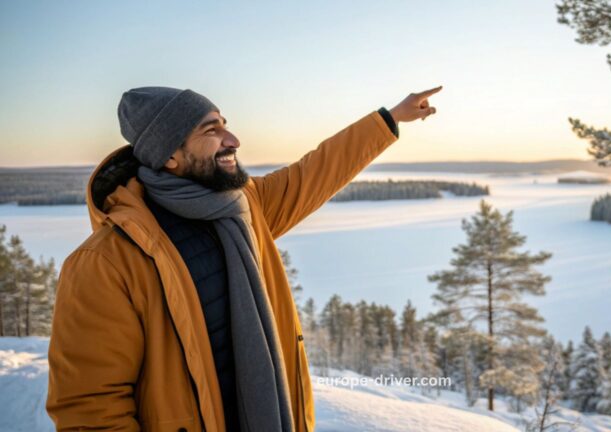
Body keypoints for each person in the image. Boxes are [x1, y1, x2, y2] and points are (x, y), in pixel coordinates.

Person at [45, 85, 441, 432]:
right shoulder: (106, 262)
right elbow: (90, 409)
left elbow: (315, 172)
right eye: (211, 130)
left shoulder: (245, 207)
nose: (232, 140)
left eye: (225, 125)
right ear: (169, 156)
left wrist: (390, 119)